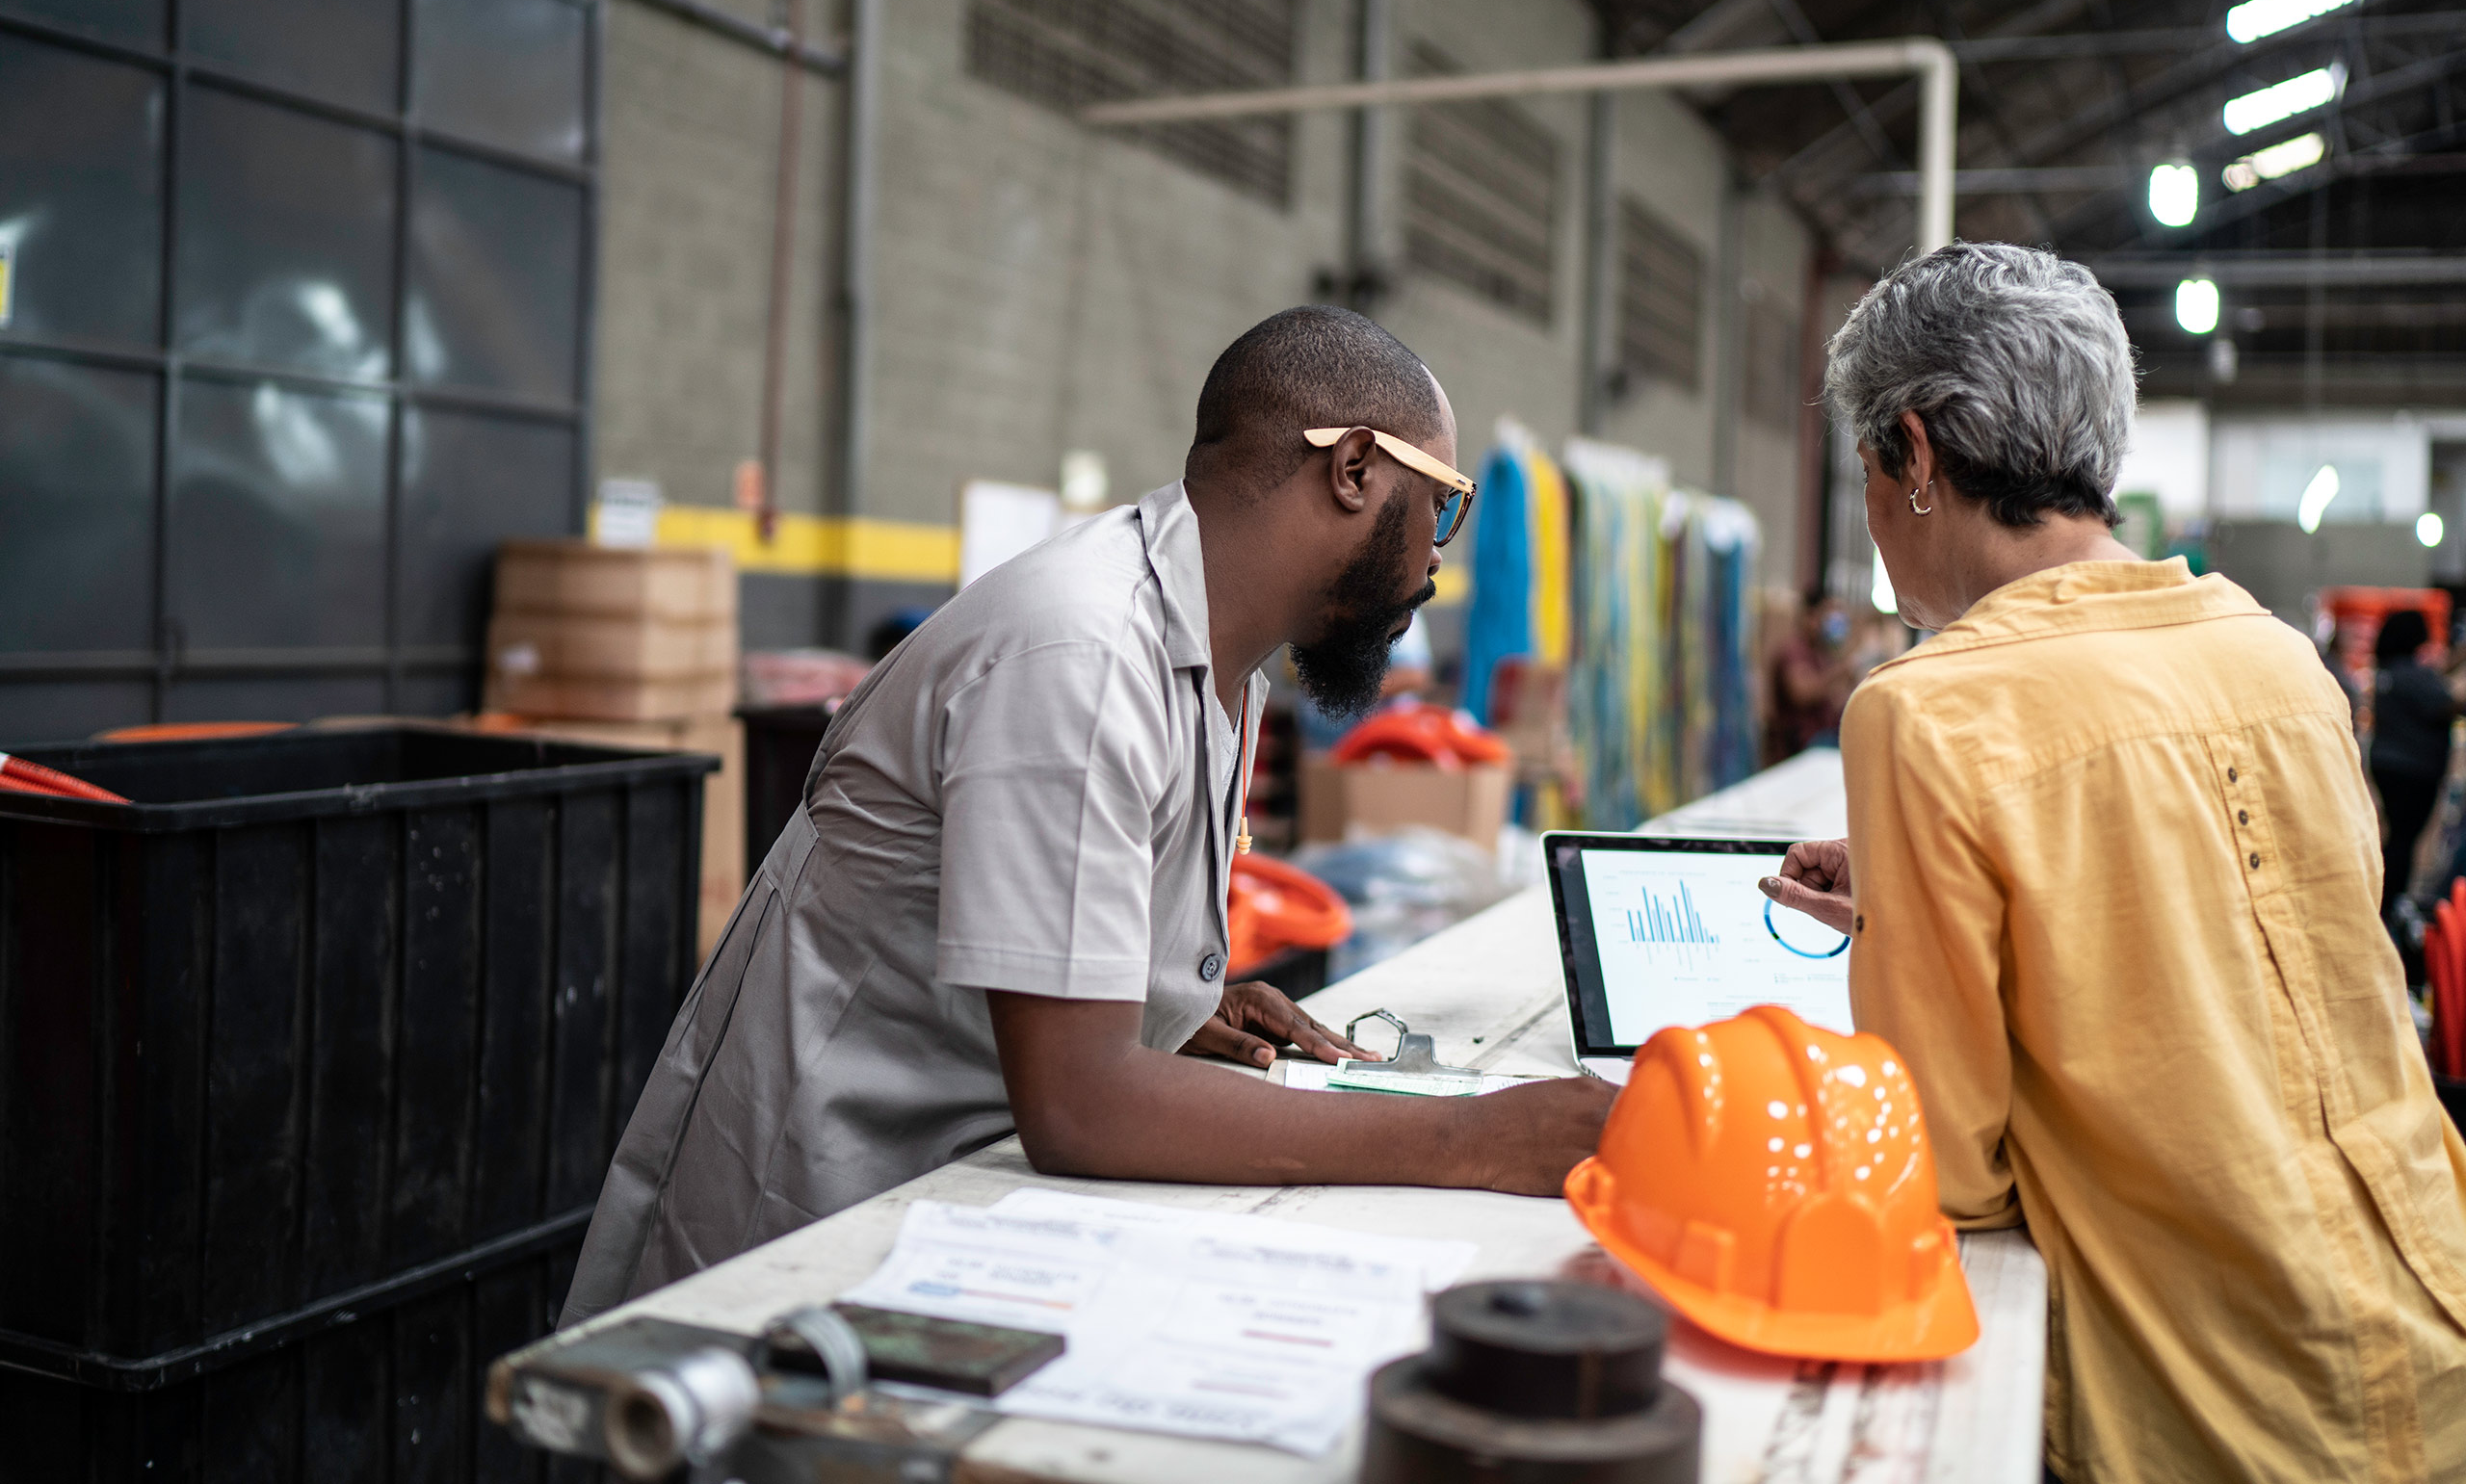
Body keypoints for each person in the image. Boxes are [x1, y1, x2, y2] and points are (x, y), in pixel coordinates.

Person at [561, 306, 1613, 1323]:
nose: (1438, 556)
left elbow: (1039, 953)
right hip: (811, 1234)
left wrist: (1154, 999)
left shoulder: (1214, 662)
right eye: (1445, 504)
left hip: (948, 1205)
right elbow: (1080, 1106)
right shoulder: (1081, 652)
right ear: (1354, 470)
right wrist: (1470, 1140)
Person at [1761, 245, 2466, 1483]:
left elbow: (1947, 1171)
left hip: (2209, 1404)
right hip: (2430, 1328)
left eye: (1867, 474)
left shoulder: (1927, 711)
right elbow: (2264, 961)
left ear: (1914, 457)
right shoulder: (2276, 660)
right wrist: (1940, 905)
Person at [2369, 607, 2459, 923]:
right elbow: (2445, 704)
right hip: (2414, 768)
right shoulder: (2410, 672)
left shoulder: (2389, 670)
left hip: (2389, 764)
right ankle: (2391, 904)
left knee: (2397, 837)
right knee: (2404, 842)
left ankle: (2387, 900)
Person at [1765, 591, 1853, 761]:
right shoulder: (1793, 651)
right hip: (1802, 749)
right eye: (1827, 616)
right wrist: (1839, 672)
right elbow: (1801, 693)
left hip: (1822, 742)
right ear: (1810, 617)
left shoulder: (1822, 653)